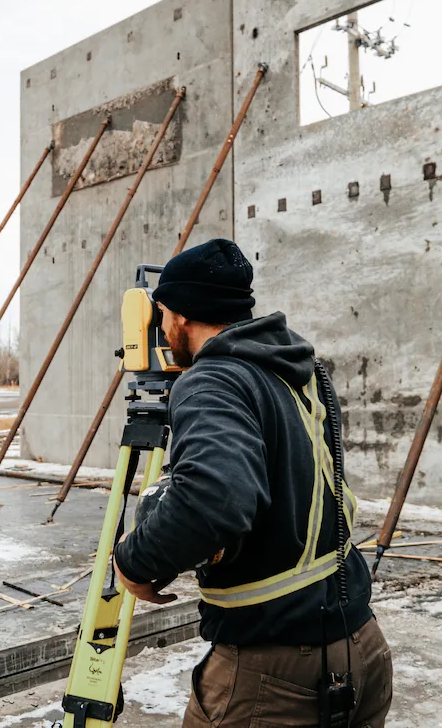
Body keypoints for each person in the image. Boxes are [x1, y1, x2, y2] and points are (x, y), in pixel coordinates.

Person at [113, 239, 393, 727]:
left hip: (272, 674)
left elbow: (213, 499)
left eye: (161, 315)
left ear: (177, 315)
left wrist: (133, 561)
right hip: (360, 648)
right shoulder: (297, 372)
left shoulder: (212, 381)